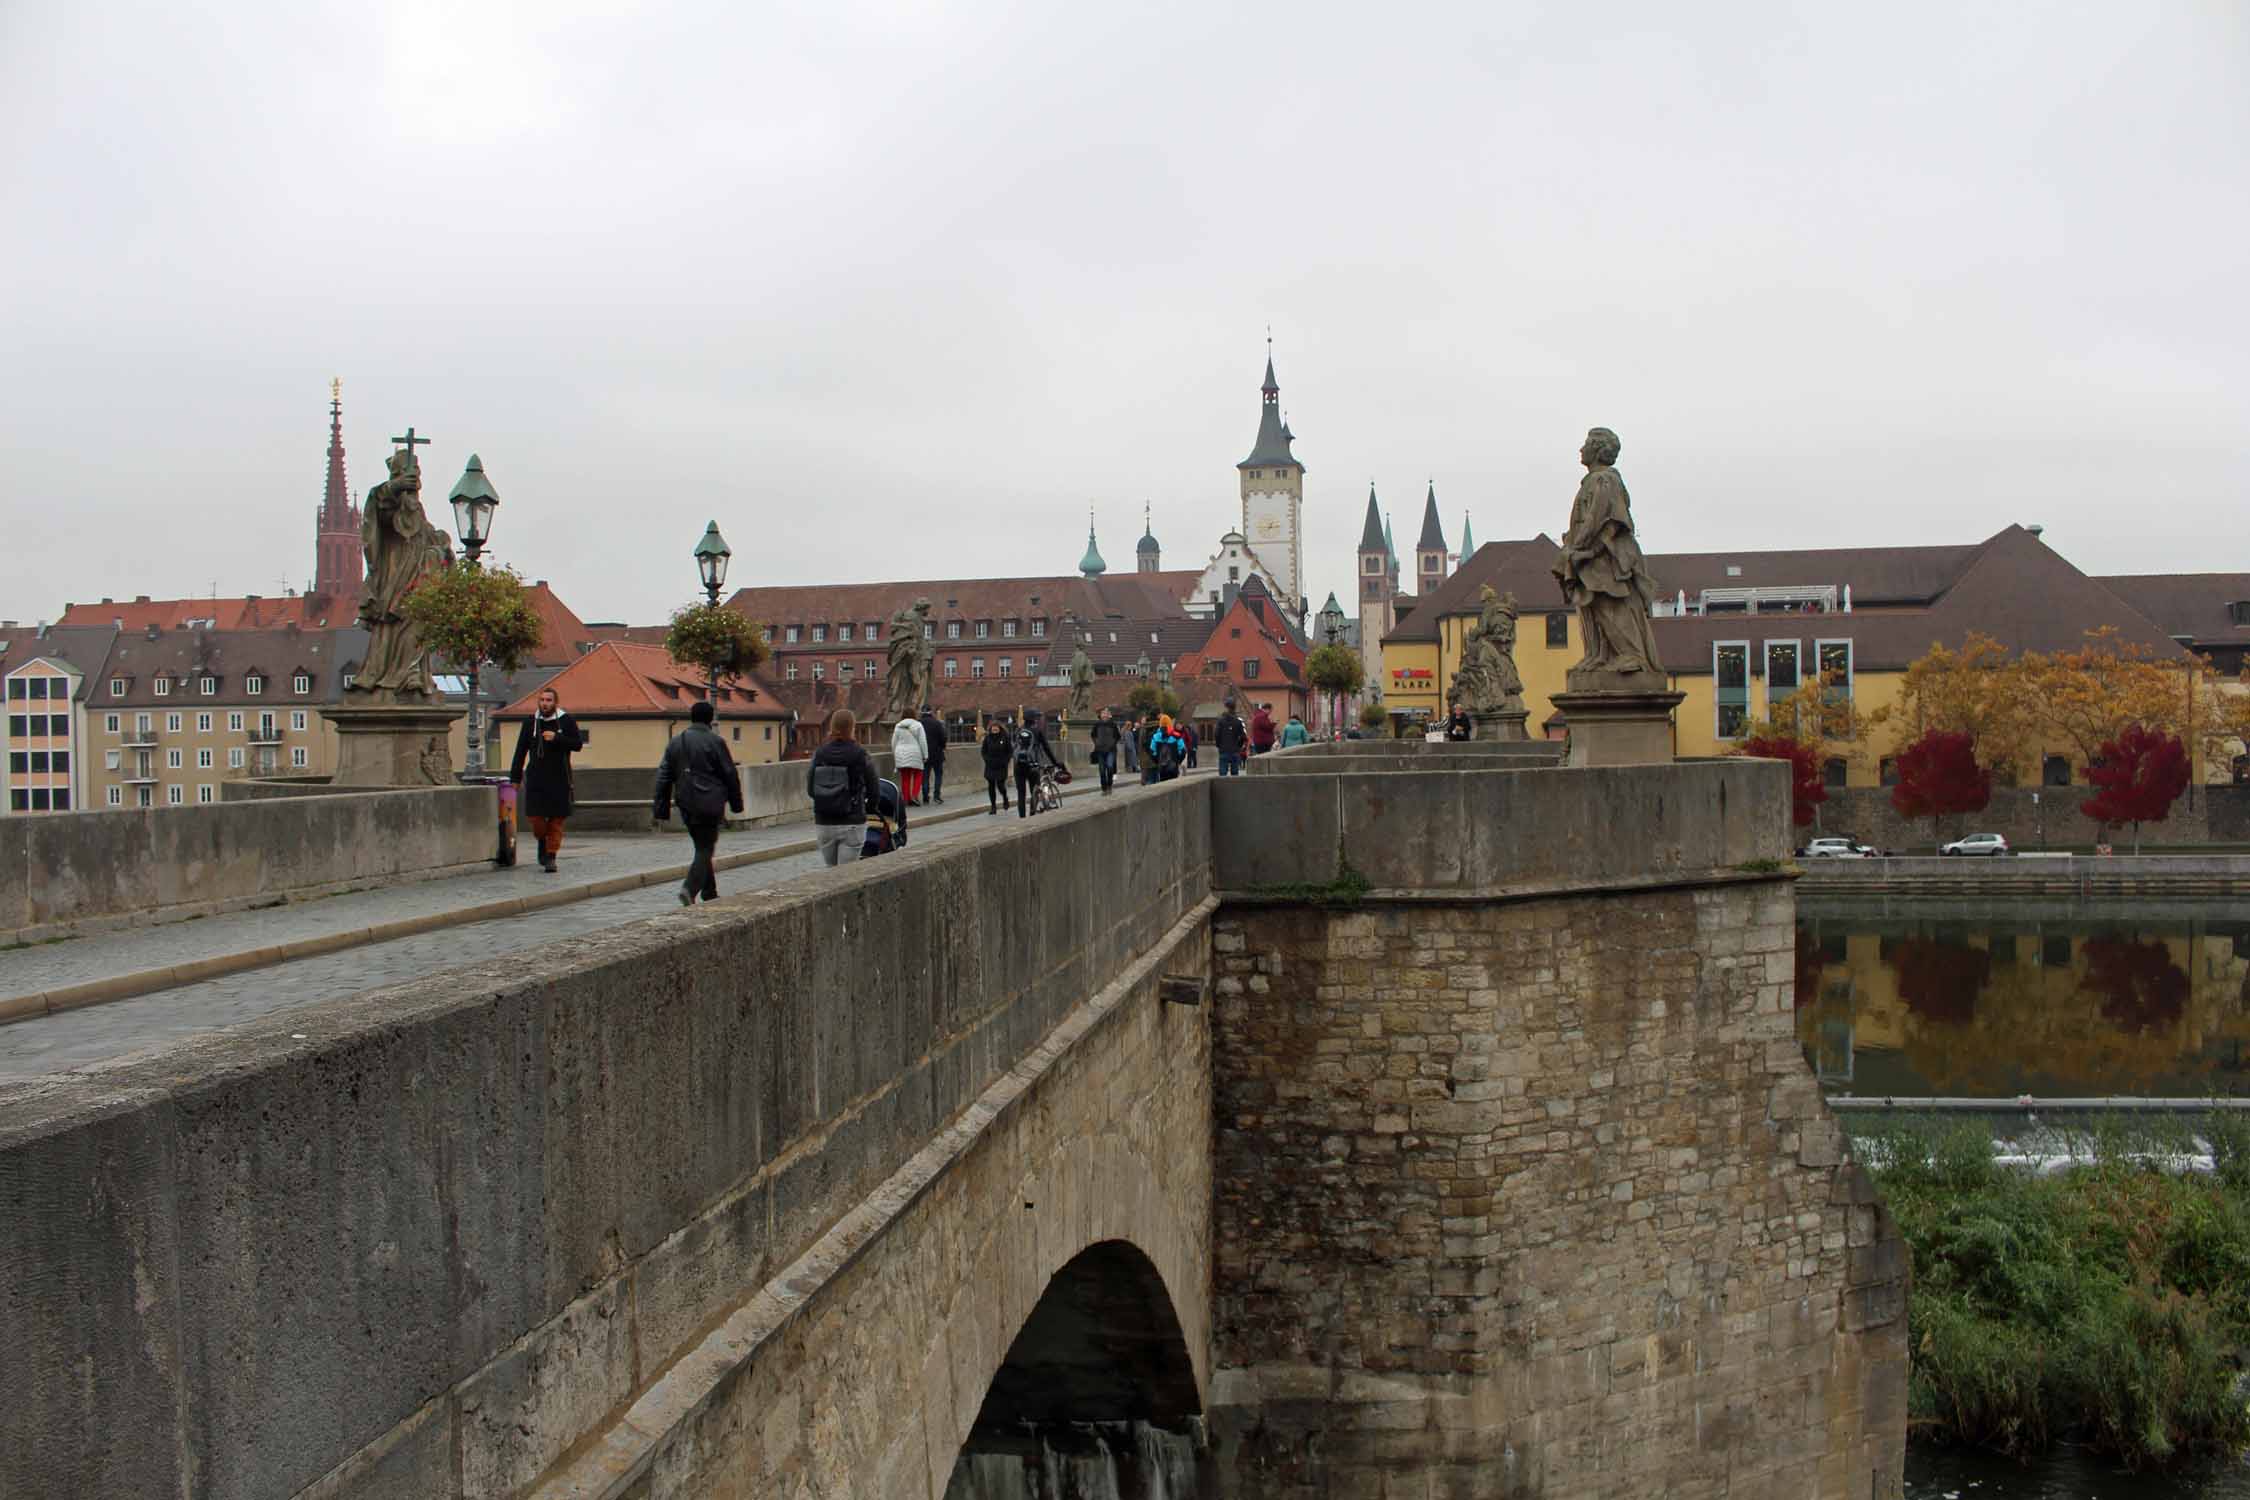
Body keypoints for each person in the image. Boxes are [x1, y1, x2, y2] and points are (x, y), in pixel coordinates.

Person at [652, 699, 744, 905]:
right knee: (705, 848)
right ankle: (690, 888)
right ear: (710, 719)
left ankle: (710, 892)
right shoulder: (715, 742)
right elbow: (730, 774)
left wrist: (661, 808)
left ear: (691, 717)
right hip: (710, 803)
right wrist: (736, 803)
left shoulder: (676, 742)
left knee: (701, 846)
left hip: (686, 802)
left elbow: (663, 776)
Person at [509, 686, 585, 872]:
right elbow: (520, 752)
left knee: (556, 821)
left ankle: (551, 856)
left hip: (559, 777)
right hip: (536, 778)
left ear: (555, 702)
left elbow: (577, 745)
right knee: (536, 820)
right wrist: (515, 778)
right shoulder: (530, 723)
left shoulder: (566, 721)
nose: (545, 704)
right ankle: (542, 840)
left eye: (549, 700)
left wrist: (557, 738)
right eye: (542, 700)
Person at [809, 708, 880, 864]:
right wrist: (867, 809)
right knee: (847, 875)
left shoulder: (820, 754)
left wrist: (826, 801)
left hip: (824, 822)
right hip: (852, 822)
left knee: (832, 872)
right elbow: (874, 788)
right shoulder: (860, 754)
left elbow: (810, 788)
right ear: (852, 728)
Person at [1013, 708, 1060, 817]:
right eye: (1037, 717)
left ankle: (1022, 818)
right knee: (1034, 791)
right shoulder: (1037, 731)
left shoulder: (1018, 730)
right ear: (1033, 719)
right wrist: (1056, 763)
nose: (1038, 719)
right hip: (1032, 765)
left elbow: (1014, 747)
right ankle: (1032, 814)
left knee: (1021, 794)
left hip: (1019, 766)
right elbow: (1047, 749)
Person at [891, 713, 928, 805]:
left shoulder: (898, 726)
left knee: (905, 777)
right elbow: (922, 741)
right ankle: (914, 795)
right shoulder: (918, 725)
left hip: (901, 753)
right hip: (915, 753)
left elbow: (893, 743)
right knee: (918, 775)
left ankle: (906, 799)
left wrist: (895, 755)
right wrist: (925, 755)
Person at [980, 715, 1014, 813]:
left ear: (999, 729)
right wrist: (986, 759)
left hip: (1001, 766)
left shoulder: (1005, 738)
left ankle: (1005, 797)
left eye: (996, 729)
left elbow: (1010, 751)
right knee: (991, 786)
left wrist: (1005, 761)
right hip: (990, 765)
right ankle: (993, 807)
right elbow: (983, 751)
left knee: (1000, 786)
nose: (994, 730)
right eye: (993, 729)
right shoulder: (987, 738)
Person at [917, 705, 949, 804]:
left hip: (923, 753)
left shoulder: (918, 724)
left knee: (925, 776)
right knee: (938, 775)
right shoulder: (937, 723)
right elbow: (943, 737)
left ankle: (925, 797)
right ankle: (937, 796)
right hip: (937, 753)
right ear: (931, 712)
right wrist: (942, 747)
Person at [1089, 706, 1122, 794]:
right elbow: (1093, 735)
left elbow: (1118, 736)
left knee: (1110, 767)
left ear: (1109, 715)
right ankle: (1104, 788)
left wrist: (1112, 743)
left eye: (1106, 714)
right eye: (1103, 713)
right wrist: (1097, 743)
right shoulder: (1097, 724)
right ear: (1100, 715)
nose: (1104, 715)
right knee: (1102, 770)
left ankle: (1109, 785)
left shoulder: (1113, 724)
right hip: (1100, 750)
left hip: (1111, 750)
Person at [1213, 699, 1248, 776]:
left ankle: (1222, 787)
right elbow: (1243, 736)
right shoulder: (1238, 721)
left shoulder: (1220, 721)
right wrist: (1239, 746)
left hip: (1223, 749)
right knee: (1234, 773)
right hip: (1235, 749)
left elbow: (1216, 734)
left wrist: (1219, 745)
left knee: (1222, 773)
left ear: (1226, 707)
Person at [1148, 714, 1187, 781]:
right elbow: (1183, 751)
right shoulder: (1176, 736)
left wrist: (1157, 761)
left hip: (1161, 767)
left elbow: (1152, 752)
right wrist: (1178, 761)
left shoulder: (1155, 736)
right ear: (1170, 724)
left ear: (1160, 724)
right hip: (1173, 766)